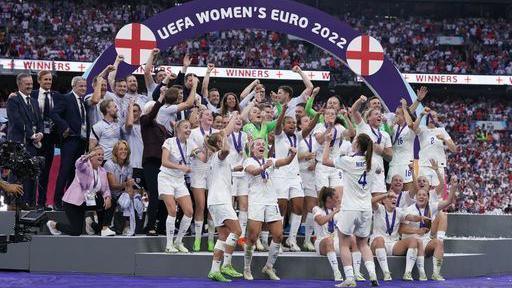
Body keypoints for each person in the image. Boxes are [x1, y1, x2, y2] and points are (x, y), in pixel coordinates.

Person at [321, 133, 379, 287]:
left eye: (354, 141)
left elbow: (325, 160)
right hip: (366, 209)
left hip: (350, 208)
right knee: (363, 244)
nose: (352, 143)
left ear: (358, 145)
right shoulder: (373, 162)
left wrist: (327, 142)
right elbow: (379, 171)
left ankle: (350, 278)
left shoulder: (348, 161)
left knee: (344, 243)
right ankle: (372, 275)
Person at [243, 138, 296, 281]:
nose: (261, 146)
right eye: (257, 144)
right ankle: (247, 268)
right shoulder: (248, 161)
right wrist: (264, 167)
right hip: (256, 201)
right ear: (252, 149)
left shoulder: (270, 160)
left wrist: (292, 155)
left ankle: (269, 266)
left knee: (278, 235)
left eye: (263, 144)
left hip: (271, 201)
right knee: (253, 237)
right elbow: (253, 172)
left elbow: (285, 162)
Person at [273, 104, 319, 251]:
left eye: (294, 123)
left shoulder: (297, 137)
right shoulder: (279, 136)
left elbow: (309, 128)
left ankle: (291, 240)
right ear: (284, 125)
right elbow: (278, 124)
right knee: (281, 208)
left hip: (294, 176)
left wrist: (317, 115)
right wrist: (284, 111)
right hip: (280, 175)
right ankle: (277, 240)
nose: (292, 125)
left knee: (299, 206)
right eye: (289, 123)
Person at [400, 176, 459, 281]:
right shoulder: (408, 210)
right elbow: (402, 229)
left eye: (424, 195)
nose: (421, 197)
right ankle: (411, 272)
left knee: (439, 243)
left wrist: (453, 187)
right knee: (417, 241)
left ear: (428, 197)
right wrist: (417, 231)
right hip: (412, 242)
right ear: (416, 197)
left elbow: (448, 201)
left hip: (425, 242)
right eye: (419, 195)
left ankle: (436, 274)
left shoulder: (431, 207)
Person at [46, 146, 115, 236]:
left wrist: (108, 197)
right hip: (73, 203)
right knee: (76, 231)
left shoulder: (102, 171)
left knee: (109, 201)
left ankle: (102, 228)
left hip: (88, 201)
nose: (101, 156)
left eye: (102, 155)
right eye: (98, 154)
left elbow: (106, 189)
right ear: (92, 156)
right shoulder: (84, 167)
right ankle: (53, 224)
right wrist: (87, 156)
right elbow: (78, 163)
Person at [203, 131, 243, 282]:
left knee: (223, 236)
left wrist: (234, 169)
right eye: (223, 141)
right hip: (220, 201)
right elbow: (226, 151)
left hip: (216, 201)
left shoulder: (215, 159)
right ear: (219, 144)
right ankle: (226, 264)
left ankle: (214, 270)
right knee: (237, 230)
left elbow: (222, 171)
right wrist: (224, 135)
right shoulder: (220, 154)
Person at [370, 191, 430, 281]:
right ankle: (386, 273)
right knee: (379, 239)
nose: (393, 199)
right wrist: (385, 194)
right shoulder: (379, 208)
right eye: (390, 197)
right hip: (378, 244)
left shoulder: (398, 211)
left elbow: (411, 217)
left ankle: (407, 273)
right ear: (384, 200)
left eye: (395, 198)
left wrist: (420, 218)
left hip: (393, 244)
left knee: (413, 240)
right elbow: (371, 201)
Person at [50, 76, 90, 210]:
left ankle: (69, 201)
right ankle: (56, 201)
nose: (83, 88)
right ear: (74, 86)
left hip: (81, 141)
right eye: (81, 86)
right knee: (65, 171)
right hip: (70, 140)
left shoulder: (83, 102)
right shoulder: (66, 98)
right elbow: (54, 114)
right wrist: (65, 127)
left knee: (74, 173)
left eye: (85, 86)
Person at [7, 73, 43, 210]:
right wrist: (32, 135)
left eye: (31, 83)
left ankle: (27, 203)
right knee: (16, 174)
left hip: (32, 144)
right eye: (26, 83)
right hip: (18, 143)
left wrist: (40, 133)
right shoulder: (13, 100)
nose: (30, 86)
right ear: (19, 84)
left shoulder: (33, 101)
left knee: (30, 174)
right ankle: (12, 205)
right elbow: (16, 121)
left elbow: (39, 121)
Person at [158, 120, 194, 253]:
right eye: (185, 127)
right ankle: (169, 245)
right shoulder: (169, 142)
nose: (188, 129)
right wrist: (181, 167)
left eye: (190, 127)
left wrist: (207, 148)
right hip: (166, 178)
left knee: (189, 212)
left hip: (179, 180)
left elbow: (202, 157)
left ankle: (178, 241)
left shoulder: (190, 144)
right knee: (172, 210)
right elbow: (164, 161)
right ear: (177, 129)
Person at [140, 86, 171, 236]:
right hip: (151, 161)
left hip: (163, 163)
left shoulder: (161, 127)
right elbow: (152, 114)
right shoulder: (145, 120)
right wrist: (160, 99)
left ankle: (162, 226)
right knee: (154, 193)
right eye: (154, 109)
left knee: (165, 194)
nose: (157, 111)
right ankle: (150, 225)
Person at [31, 70, 61, 210]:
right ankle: (30, 202)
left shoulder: (57, 96)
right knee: (32, 171)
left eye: (50, 79)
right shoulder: (33, 94)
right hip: (34, 138)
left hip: (50, 139)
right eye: (46, 79)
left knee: (46, 171)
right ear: (39, 80)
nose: (48, 82)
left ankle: (42, 203)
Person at [351, 95, 393, 195]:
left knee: (377, 203)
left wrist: (381, 152)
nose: (379, 116)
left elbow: (390, 156)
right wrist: (360, 100)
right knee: (362, 201)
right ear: (368, 117)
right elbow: (353, 110)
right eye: (376, 114)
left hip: (378, 172)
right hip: (362, 169)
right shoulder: (363, 127)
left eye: (380, 114)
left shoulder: (385, 134)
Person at [298, 115, 319, 251]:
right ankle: (291, 238)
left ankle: (307, 240)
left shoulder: (317, 140)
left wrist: (315, 163)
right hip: (298, 175)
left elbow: (321, 156)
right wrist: (303, 156)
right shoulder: (297, 138)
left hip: (312, 175)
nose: (309, 122)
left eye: (310, 121)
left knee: (312, 207)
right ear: (300, 126)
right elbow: (290, 155)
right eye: (306, 121)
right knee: (298, 207)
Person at [313, 187, 343, 281]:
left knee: (353, 239)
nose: (338, 199)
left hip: (336, 241)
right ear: (329, 199)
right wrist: (335, 212)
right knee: (329, 240)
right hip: (321, 242)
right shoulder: (317, 209)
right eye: (336, 197)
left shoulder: (339, 210)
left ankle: (355, 273)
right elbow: (321, 221)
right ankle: (337, 272)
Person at [103, 140, 133, 234]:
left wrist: (129, 195)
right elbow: (112, 186)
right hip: (108, 193)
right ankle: (99, 225)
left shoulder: (129, 165)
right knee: (112, 200)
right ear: (116, 151)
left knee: (132, 200)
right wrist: (126, 184)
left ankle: (127, 226)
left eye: (125, 149)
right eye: (121, 149)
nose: (123, 151)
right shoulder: (109, 164)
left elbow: (129, 186)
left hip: (120, 194)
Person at [387, 98, 416, 191]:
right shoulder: (393, 127)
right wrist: (390, 127)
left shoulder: (411, 127)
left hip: (406, 163)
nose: (396, 115)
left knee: (407, 192)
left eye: (398, 113)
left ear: (404, 115)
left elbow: (410, 123)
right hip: (394, 163)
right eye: (395, 113)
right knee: (390, 190)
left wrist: (404, 108)